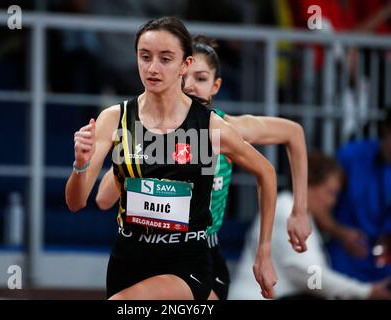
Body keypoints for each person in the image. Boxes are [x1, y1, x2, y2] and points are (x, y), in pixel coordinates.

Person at [65, 17, 278, 300]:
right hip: (128, 260)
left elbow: (266, 172)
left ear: (185, 64)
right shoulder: (114, 119)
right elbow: (76, 202)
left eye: (165, 59)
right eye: (145, 57)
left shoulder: (209, 126)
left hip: (186, 262)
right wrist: (81, 163)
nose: (153, 68)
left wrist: (263, 251)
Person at [95, 35, 312, 300]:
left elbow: (294, 134)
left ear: (216, 86)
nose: (191, 87)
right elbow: (103, 200)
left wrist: (299, 211)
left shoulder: (228, 130)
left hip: (200, 253)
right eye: (185, 78)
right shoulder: (149, 133)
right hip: (148, 252)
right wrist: (132, 163)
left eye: (201, 79)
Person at [229, 151, 391, 300]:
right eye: (329, 192)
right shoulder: (286, 210)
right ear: (306, 185)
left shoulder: (296, 213)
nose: (332, 202)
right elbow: (311, 276)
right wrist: (365, 291)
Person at [315, 109, 391, 282]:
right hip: (345, 261)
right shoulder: (351, 157)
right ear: (386, 129)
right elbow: (313, 202)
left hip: (385, 268)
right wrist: (339, 232)